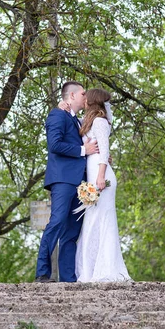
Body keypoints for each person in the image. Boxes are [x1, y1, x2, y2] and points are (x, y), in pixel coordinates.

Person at [35, 81, 99, 283]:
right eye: (82, 93)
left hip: (81, 184)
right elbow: (54, 145)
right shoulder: (57, 115)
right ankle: (42, 272)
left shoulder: (79, 121)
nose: (85, 96)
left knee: (72, 231)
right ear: (71, 96)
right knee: (57, 222)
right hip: (62, 180)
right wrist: (83, 150)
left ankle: (68, 278)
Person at [75, 88, 131, 282]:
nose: (83, 100)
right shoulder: (88, 121)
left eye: (86, 98)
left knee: (102, 222)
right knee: (91, 222)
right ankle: (90, 270)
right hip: (92, 175)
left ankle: (105, 269)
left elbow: (104, 151)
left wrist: (100, 176)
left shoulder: (100, 122)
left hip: (101, 177)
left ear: (92, 101)